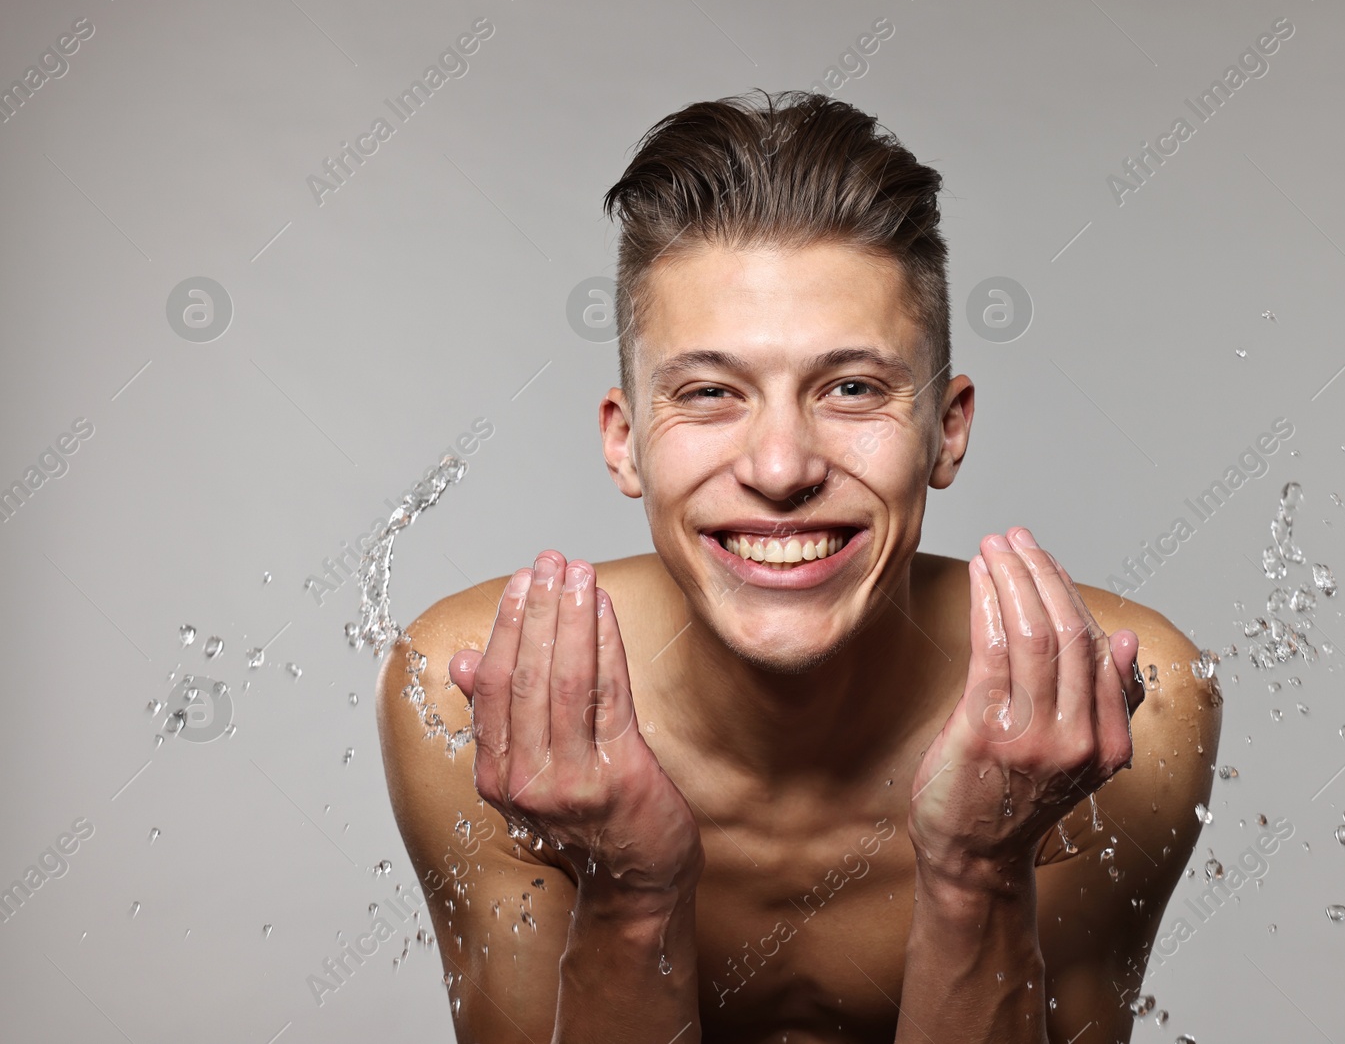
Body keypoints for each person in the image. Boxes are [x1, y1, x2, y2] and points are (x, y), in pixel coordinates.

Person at [375, 89, 1222, 1043]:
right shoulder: (479, 694)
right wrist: (630, 885)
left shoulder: (1114, 701)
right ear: (625, 442)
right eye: (709, 392)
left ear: (947, 430)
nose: (781, 469)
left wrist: (981, 869)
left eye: (852, 387)